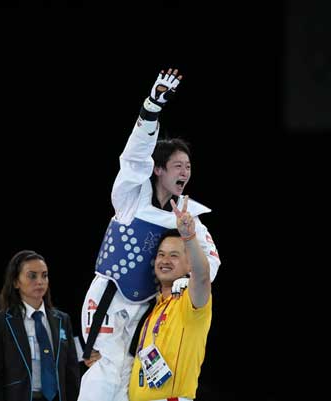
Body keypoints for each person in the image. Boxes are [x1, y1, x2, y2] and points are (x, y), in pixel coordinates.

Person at [78, 68, 221, 401]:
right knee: (99, 381)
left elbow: (210, 265)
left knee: (129, 383)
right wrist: (150, 109)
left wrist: (186, 283)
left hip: (147, 313)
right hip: (106, 303)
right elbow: (133, 158)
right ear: (158, 169)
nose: (185, 172)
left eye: (188, 166)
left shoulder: (189, 218)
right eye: (177, 166)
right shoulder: (131, 197)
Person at [128, 196, 212, 401]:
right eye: (161, 254)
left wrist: (189, 237)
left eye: (174, 256)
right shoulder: (153, 308)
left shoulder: (189, 303)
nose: (165, 261)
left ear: (189, 264)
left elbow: (202, 278)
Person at [0, 250, 80, 401]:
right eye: (32, 275)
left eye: (44, 275)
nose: (40, 281)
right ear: (15, 282)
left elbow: (71, 372)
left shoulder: (62, 319)